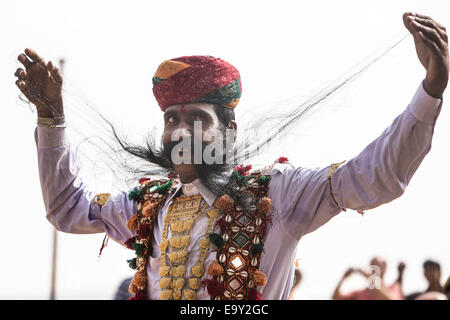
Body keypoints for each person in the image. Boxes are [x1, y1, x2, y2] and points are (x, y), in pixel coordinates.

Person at [14, 13, 448, 300]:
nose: (179, 130)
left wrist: (430, 91)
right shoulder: (149, 205)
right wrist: (50, 119)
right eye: (170, 119)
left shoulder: (278, 192)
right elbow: (67, 209)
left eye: (196, 118)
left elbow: (376, 177)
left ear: (228, 131)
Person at [332, 258, 405, 300]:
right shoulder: (360, 292)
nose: (373, 268)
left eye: (376, 265)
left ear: (384, 269)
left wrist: (371, 279)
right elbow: (336, 297)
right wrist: (343, 278)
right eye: (371, 264)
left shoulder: (393, 287)